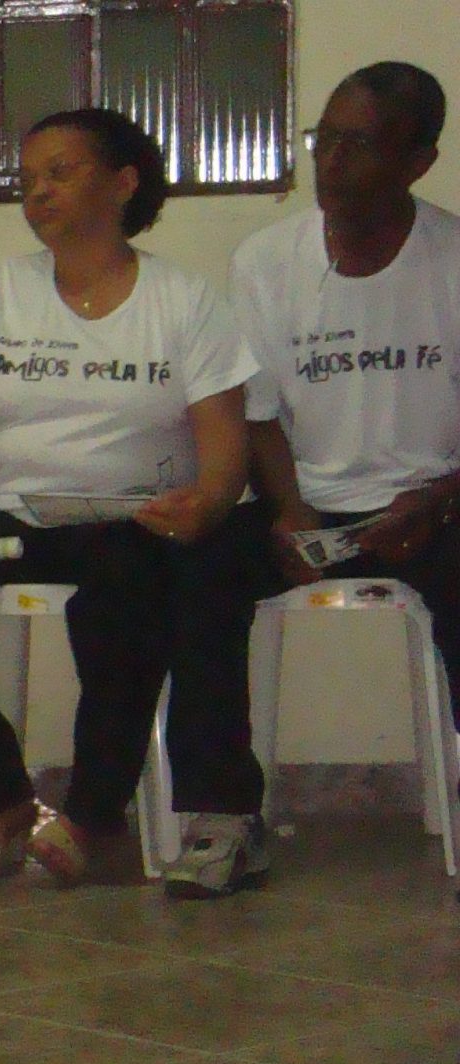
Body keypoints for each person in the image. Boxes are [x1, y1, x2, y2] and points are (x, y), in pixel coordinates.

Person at [0, 107, 255, 884]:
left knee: (126, 591)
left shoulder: (185, 299)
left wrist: (207, 504)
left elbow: (225, 448)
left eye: (59, 173)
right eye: (28, 180)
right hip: (14, 511)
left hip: (131, 515)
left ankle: (89, 814)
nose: (38, 193)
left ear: (122, 184)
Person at [161, 63, 460, 898]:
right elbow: (258, 411)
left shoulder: (453, 259)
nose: (329, 162)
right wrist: (289, 509)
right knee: (197, 569)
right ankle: (224, 817)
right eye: (322, 139)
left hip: (436, 500)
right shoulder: (267, 260)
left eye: (357, 144)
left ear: (418, 162)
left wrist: (436, 499)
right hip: (308, 499)